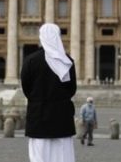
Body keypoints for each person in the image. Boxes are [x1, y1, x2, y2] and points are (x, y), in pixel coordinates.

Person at [21, 23, 76, 162]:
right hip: (62, 116)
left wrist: (37, 99)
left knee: (39, 155)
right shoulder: (67, 61)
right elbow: (72, 89)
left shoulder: (30, 60)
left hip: (38, 115)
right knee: (63, 155)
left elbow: (26, 87)